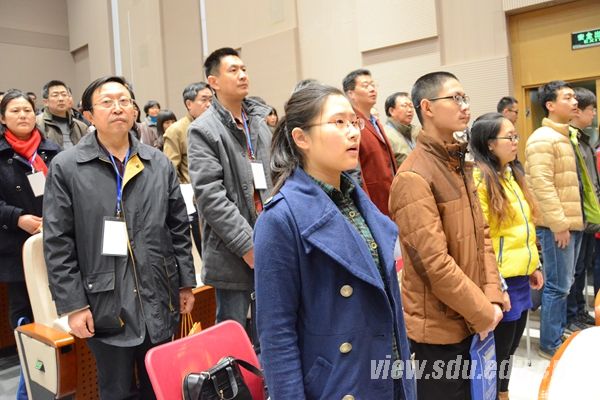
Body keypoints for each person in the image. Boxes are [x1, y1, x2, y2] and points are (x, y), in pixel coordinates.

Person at [254, 83, 416, 400]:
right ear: (301, 138)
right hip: (339, 384)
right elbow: (277, 335)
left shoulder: (357, 202)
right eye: (338, 122)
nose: (353, 133)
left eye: (354, 122)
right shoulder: (280, 219)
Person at [43, 76, 196, 400]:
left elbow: (178, 227)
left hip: (158, 293)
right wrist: (74, 305)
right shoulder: (67, 167)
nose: (118, 108)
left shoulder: (157, 162)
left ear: (134, 110)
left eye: (124, 101)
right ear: (88, 114)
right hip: (104, 300)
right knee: (116, 390)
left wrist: (185, 284)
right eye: (107, 102)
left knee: (161, 386)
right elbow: (58, 242)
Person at [389, 71, 504, 399]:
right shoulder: (413, 176)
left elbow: (482, 235)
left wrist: (492, 295)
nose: (465, 105)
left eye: (465, 98)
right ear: (427, 107)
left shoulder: (457, 161)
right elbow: (434, 264)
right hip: (440, 332)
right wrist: (483, 311)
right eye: (455, 98)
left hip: (474, 316)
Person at [188, 47, 272, 326]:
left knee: (271, 327)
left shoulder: (259, 123)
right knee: (234, 330)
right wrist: (248, 245)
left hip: (270, 237)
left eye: (244, 69)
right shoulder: (203, 130)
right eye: (233, 70)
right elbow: (210, 196)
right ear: (213, 82)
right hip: (232, 250)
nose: (242, 75)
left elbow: (275, 177)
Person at [470, 112, 544, 400]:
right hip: (501, 279)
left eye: (516, 136)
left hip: (520, 275)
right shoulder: (480, 179)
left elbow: (523, 228)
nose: (515, 142)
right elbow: (483, 238)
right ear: (490, 144)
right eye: (509, 137)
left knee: (511, 347)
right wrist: (497, 285)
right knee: (499, 349)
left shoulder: (511, 174)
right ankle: (496, 394)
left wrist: (534, 265)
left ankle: (503, 392)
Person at [524, 80, 583, 359]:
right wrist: (559, 224)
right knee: (557, 286)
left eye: (574, 97)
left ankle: (556, 333)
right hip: (556, 226)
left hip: (570, 222)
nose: (574, 102)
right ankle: (550, 343)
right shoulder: (542, 139)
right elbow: (542, 185)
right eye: (567, 97)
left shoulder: (565, 136)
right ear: (550, 105)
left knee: (564, 284)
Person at [0, 89, 61, 330]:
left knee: (56, 303)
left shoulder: (52, 150)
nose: (23, 115)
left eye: (27, 110)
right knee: (23, 306)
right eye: (15, 111)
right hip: (14, 241)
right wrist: (17, 218)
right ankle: (26, 351)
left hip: (54, 236)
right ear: (3, 118)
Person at [566, 87, 599, 332]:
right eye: (592, 109)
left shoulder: (583, 140)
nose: (594, 113)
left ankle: (579, 311)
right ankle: (571, 315)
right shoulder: (568, 140)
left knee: (582, 267)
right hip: (575, 216)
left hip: (588, 215)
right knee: (574, 271)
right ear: (577, 111)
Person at [343, 69, 397, 216]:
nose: (372, 89)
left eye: (373, 85)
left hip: (391, 198)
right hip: (374, 203)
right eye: (365, 85)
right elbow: (355, 171)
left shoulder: (374, 120)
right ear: (351, 94)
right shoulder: (352, 125)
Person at [36, 80, 88, 149]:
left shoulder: (81, 126)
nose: (61, 99)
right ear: (46, 102)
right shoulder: (36, 124)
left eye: (64, 95)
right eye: (55, 95)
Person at [384, 92, 420, 166]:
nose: (410, 110)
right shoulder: (385, 135)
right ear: (391, 111)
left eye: (411, 106)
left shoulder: (415, 131)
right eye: (404, 106)